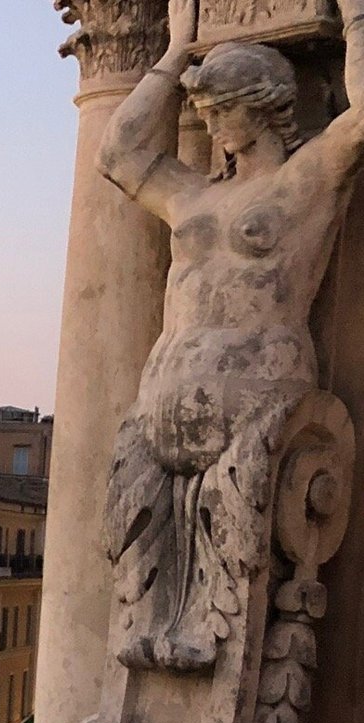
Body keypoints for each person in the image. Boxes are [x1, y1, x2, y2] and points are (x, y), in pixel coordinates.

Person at [96, 0, 364, 673]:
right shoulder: (190, 194)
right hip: (163, 404)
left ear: (266, 105)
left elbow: (361, 123)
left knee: (242, 569)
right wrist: (173, 55)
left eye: (222, 108)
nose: (210, 122)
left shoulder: (303, 182)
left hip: (257, 406)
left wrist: (357, 18)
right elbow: (118, 153)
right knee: (139, 572)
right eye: (205, 109)